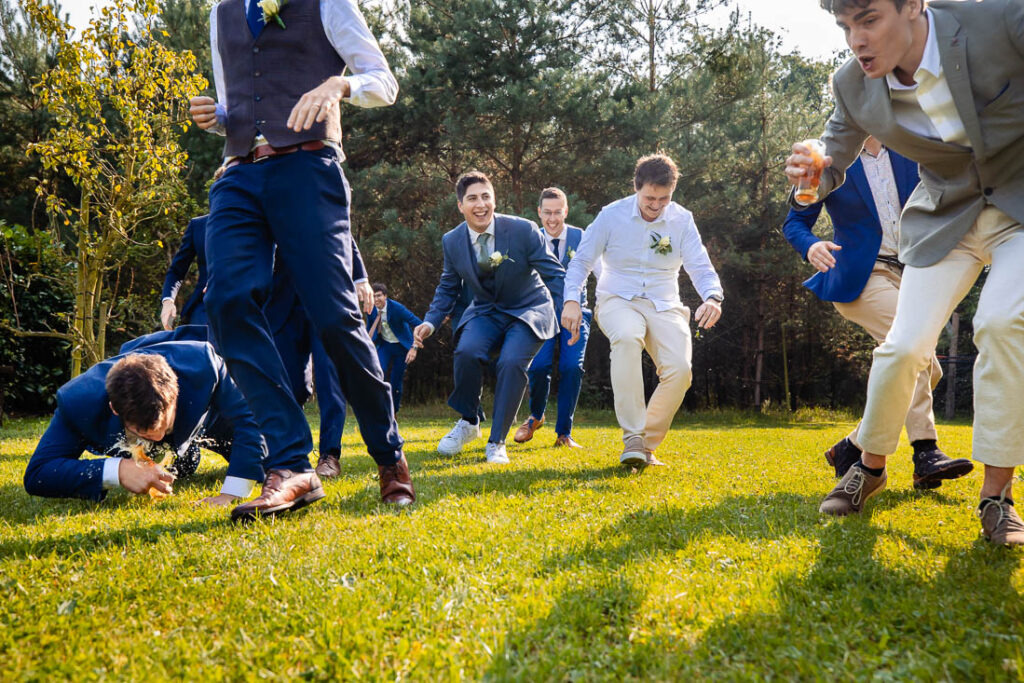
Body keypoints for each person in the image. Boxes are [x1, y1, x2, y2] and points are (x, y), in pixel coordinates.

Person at [784, 0, 1024, 545]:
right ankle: (868, 468)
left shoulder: (999, 22)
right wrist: (813, 167)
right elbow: (833, 156)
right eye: (845, 26)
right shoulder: (852, 83)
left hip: (1018, 210)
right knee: (903, 347)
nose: (856, 40)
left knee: (1001, 324)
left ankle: (997, 497)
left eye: (869, 19)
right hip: (945, 219)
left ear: (913, 5)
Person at [189, 0, 414, 519]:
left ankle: (389, 456)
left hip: (309, 169)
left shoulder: (326, 1)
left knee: (334, 318)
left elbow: (384, 82)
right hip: (239, 174)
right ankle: (291, 464)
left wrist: (340, 85)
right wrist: (216, 118)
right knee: (226, 302)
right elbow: (238, 108)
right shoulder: (222, 12)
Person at [783, 137, 972, 489]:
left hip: (914, 272)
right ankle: (925, 451)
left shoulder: (910, 144)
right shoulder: (829, 157)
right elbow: (795, 221)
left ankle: (851, 446)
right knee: (912, 349)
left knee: (926, 368)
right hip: (861, 276)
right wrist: (812, 246)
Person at [159, 216, 352, 481]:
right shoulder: (206, 225)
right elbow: (185, 268)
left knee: (328, 376)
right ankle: (226, 443)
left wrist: (359, 278)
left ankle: (328, 454)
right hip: (236, 306)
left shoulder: (286, 207)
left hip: (321, 296)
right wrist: (171, 298)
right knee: (283, 385)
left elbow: (340, 232)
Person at [562, 154, 723, 467]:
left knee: (680, 370)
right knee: (627, 337)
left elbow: (700, 265)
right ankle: (633, 437)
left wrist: (713, 297)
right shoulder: (611, 215)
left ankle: (645, 445)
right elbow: (581, 261)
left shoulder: (682, 219)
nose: (656, 206)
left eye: (664, 199)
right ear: (636, 188)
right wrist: (571, 300)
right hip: (617, 298)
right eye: (650, 198)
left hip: (665, 303)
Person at [413, 171, 566, 464]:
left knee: (511, 361)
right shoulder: (452, 240)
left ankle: (497, 442)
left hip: (529, 309)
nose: (481, 204)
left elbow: (555, 274)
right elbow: (448, 286)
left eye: (486, 197)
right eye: (472, 198)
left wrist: (569, 307)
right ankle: (469, 421)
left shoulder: (522, 230)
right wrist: (430, 321)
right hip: (486, 311)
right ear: (461, 205)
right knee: (467, 352)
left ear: (495, 200)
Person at [24, 327, 265, 506]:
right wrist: (118, 470)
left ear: (176, 395)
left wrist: (231, 493)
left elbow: (251, 420)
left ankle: (187, 450)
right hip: (127, 431)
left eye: (163, 427)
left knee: (271, 462)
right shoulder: (78, 401)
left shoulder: (205, 366)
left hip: (208, 425)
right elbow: (38, 474)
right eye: (144, 431)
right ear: (114, 409)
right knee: (179, 464)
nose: (158, 436)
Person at [514, 187, 601, 449]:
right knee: (538, 367)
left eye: (557, 212)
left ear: (566, 211)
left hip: (576, 313)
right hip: (540, 315)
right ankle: (536, 416)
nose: (552, 219)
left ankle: (564, 433)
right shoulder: (531, 239)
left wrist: (609, 301)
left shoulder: (582, 237)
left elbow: (601, 273)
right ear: (539, 212)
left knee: (571, 367)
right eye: (547, 213)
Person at [366, 283, 422, 414]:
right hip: (385, 346)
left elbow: (419, 324)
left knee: (396, 382)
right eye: (373, 296)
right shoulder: (370, 309)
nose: (376, 299)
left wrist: (414, 347)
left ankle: (393, 413)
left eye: (379, 296)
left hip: (402, 348)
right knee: (377, 373)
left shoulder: (397, 308)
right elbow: (370, 329)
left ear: (385, 296)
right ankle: (378, 409)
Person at [160, 215, 210, 329]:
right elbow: (177, 270)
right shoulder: (198, 225)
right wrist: (168, 301)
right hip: (204, 307)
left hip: (243, 303)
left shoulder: (249, 220)